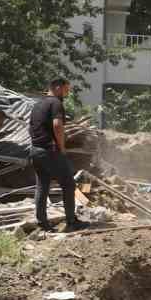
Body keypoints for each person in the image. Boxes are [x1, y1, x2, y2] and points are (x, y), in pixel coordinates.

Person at [28, 77, 87, 233]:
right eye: (66, 90)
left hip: (36, 151)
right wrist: (61, 147)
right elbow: (57, 125)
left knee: (42, 186)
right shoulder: (56, 103)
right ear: (58, 87)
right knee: (68, 184)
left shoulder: (38, 105)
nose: (67, 94)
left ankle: (42, 223)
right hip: (50, 151)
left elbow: (32, 127)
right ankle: (71, 222)